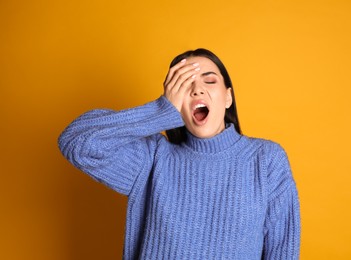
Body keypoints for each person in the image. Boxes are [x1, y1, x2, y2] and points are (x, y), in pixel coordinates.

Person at [58, 48, 301, 259]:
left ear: (228, 97)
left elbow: (282, 250)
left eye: (209, 80)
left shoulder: (265, 160)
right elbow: (76, 141)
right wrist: (160, 110)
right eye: (184, 84)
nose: (197, 90)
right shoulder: (152, 158)